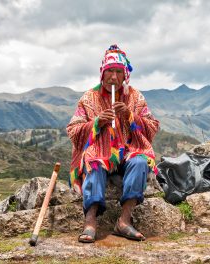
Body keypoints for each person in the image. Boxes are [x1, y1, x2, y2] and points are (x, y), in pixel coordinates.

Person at [67, 44, 159, 243]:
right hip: (100, 151)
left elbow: (152, 126)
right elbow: (73, 130)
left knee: (140, 162)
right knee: (93, 161)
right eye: (110, 72)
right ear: (102, 73)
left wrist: (130, 116)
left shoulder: (135, 97)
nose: (114, 77)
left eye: (119, 72)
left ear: (125, 75)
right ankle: (90, 221)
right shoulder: (89, 98)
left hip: (128, 150)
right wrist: (97, 123)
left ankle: (124, 221)